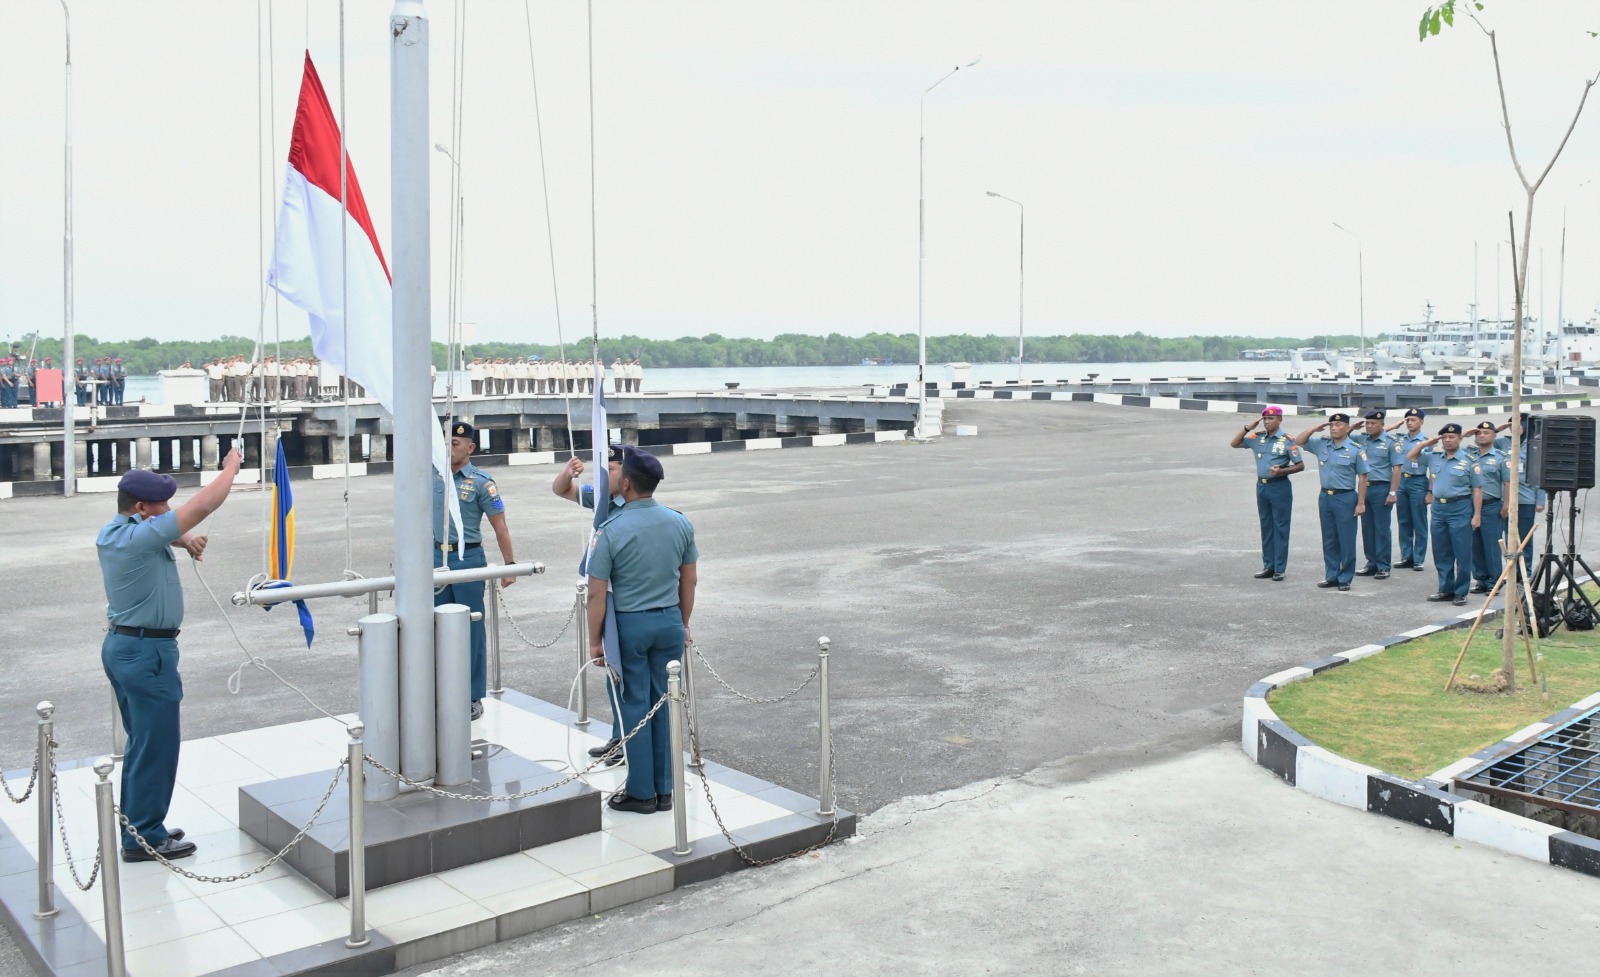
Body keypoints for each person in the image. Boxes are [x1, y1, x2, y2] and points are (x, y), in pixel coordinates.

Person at [98, 449, 244, 861]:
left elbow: (162, 531)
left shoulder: (115, 532)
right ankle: (144, 837)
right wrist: (231, 470)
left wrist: (183, 539)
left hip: (125, 647)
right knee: (157, 745)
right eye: (161, 505)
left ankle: (140, 827)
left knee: (143, 743)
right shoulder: (141, 536)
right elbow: (203, 505)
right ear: (142, 509)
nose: (168, 510)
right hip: (147, 654)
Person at [586, 446, 697, 813]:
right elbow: (689, 580)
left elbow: (596, 593)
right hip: (669, 621)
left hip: (630, 625)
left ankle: (641, 793)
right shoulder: (679, 522)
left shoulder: (611, 529)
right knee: (664, 701)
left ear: (627, 483)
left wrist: (594, 641)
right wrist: (683, 623)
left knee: (634, 702)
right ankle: (664, 789)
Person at [433, 421, 517, 720]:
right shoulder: (433, 477)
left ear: (470, 447)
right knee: (433, 627)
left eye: (455, 444)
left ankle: (472, 695)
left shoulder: (482, 482)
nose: (449, 448)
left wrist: (509, 565)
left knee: (471, 629)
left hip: (468, 559)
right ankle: (438, 690)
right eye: (446, 443)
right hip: (435, 558)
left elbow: (500, 525)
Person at [553, 445, 628, 762]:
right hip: (606, 595)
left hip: (624, 597)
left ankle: (630, 742)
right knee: (614, 673)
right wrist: (568, 473)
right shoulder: (602, 498)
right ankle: (619, 735)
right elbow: (561, 489)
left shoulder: (632, 505)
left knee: (628, 677)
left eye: (611, 468)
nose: (604, 475)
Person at [1294, 412, 1369, 591]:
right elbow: (1299, 441)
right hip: (1325, 497)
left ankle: (1345, 577)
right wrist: (1314, 428)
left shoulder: (1356, 449)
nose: (1334, 428)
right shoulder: (1322, 444)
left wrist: (1361, 503)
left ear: (1347, 427)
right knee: (1329, 539)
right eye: (1331, 425)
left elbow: (1363, 477)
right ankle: (1331, 575)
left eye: (1338, 425)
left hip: (1346, 497)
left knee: (1346, 539)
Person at [1406, 422, 1480, 606]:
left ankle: (1461, 591)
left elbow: (1477, 489)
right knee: (1441, 551)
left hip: (1460, 508)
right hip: (1439, 508)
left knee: (1462, 552)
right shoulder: (1434, 457)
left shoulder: (1470, 460)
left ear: (1460, 439)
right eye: (1444, 437)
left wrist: (1477, 515)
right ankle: (1445, 589)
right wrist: (1427, 443)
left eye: (1452, 437)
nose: (1447, 440)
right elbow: (1411, 456)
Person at [1230, 405, 1302, 581]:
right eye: (1265, 419)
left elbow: (1300, 465)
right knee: (1266, 526)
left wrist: (1282, 471)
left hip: (1279, 486)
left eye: (1271, 418)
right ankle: (1268, 565)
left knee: (1280, 527)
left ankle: (1279, 568)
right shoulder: (1257, 438)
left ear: (1280, 420)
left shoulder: (1287, 440)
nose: (1268, 422)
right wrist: (1248, 428)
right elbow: (1234, 443)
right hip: (1262, 486)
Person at [1350, 409, 1400, 579]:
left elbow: (1397, 469)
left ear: (1382, 424)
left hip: (1381, 488)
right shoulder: (1362, 439)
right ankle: (1371, 562)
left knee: (1381, 528)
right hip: (1365, 488)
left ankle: (1383, 565)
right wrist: (1352, 427)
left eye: (1373, 423)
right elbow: (1343, 438)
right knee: (1367, 528)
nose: (1369, 426)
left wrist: (1392, 492)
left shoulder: (1391, 443)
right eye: (1367, 423)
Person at [1465, 420, 1510, 595]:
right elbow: (1452, 445)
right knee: (1474, 545)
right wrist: (1465, 434)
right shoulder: (1469, 455)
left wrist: (1506, 505)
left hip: (1491, 506)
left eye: (1486, 433)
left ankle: (1495, 581)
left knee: (1491, 546)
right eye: (1479, 433)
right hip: (1470, 506)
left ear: (1494, 435)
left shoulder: (1500, 457)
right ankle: (1481, 579)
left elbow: (1507, 483)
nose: (1482, 436)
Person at [1391, 408, 1430, 571]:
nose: (1410, 422)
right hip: (1402, 481)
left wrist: (1430, 491)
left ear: (1421, 422)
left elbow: (1433, 468)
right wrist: (1394, 426)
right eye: (1407, 420)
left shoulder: (1427, 442)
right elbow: (1381, 433)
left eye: (1413, 420)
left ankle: (1419, 558)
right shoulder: (1399, 440)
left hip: (1418, 481)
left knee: (1419, 521)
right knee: (1404, 520)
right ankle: (1406, 556)